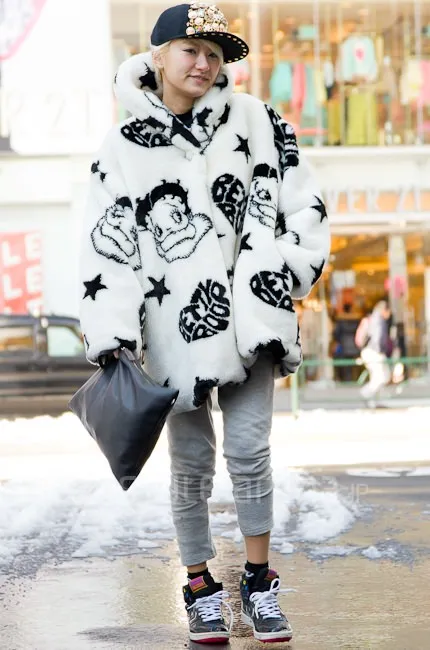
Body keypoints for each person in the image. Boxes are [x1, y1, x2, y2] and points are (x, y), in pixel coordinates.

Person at [79, 3, 330, 644]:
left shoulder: (258, 120)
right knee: (190, 464)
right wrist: (113, 332)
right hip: (171, 330)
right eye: (191, 49)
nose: (203, 63)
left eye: (214, 54)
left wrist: (279, 273)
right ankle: (199, 588)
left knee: (251, 452)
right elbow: (108, 248)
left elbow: (304, 203)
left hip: (251, 320)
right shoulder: (122, 146)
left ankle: (259, 582)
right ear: (158, 55)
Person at [359, 300, 392, 406]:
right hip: (375, 352)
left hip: (370, 351)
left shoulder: (374, 318)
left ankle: (376, 401)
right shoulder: (379, 320)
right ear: (384, 310)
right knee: (381, 377)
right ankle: (366, 394)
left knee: (381, 376)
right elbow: (378, 338)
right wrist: (381, 352)